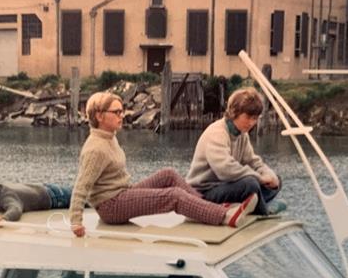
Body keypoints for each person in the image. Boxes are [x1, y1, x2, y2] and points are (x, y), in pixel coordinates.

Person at [69, 91, 257, 238]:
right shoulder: (95, 149)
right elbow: (81, 186)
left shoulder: (109, 137)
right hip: (111, 207)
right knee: (173, 196)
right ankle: (225, 216)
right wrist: (76, 222)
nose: (122, 115)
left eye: (122, 110)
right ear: (100, 116)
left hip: (122, 194)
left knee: (169, 174)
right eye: (116, 112)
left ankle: (205, 209)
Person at [186, 87, 284, 215]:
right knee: (250, 184)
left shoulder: (242, 134)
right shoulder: (217, 133)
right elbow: (225, 170)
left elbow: (252, 161)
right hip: (203, 192)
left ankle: (249, 204)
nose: (251, 123)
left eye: (255, 118)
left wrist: (269, 175)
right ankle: (262, 211)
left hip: (225, 186)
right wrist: (260, 178)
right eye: (248, 117)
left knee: (277, 180)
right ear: (234, 112)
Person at [0, 174, 72, 227]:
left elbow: (15, 209)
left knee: (83, 198)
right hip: (44, 188)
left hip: (55, 197)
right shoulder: (0, 189)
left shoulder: (5, 197)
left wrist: (2, 218)